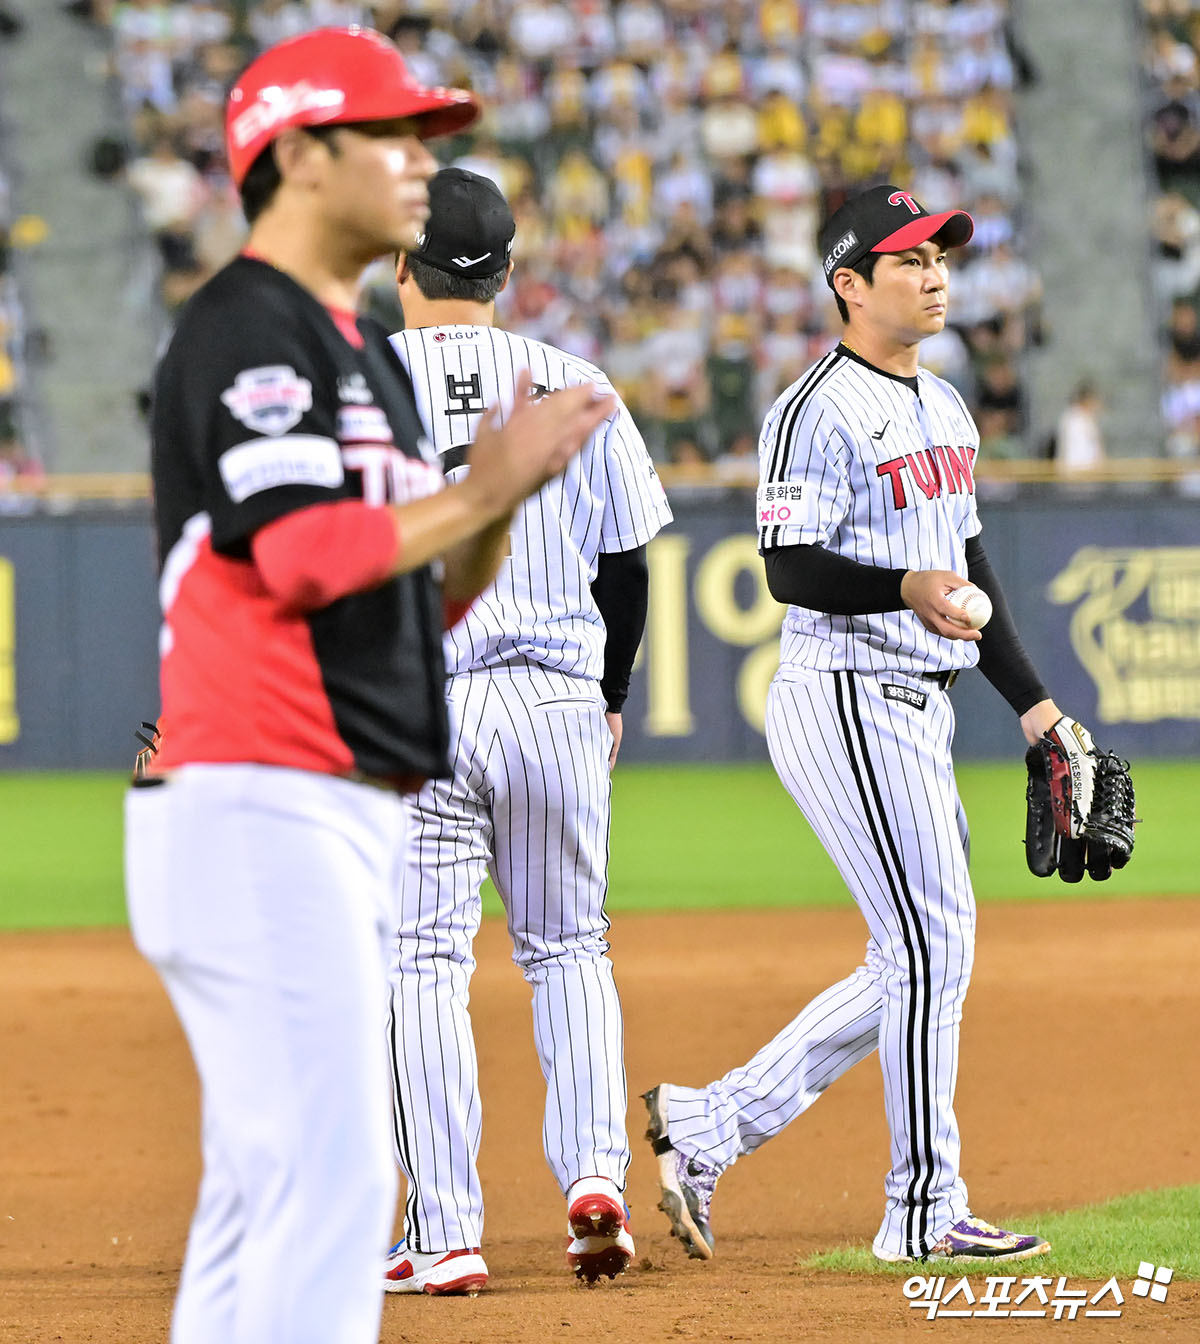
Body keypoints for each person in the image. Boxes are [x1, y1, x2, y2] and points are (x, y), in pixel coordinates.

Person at [124, 29, 614, 1344]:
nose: (420, 164)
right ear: (294, 154)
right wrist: (483, 489)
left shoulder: (349, 351)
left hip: (315, 793)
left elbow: (423, 596)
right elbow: (298, 557)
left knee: (270, 1190)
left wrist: (500, 511)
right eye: (389, 137)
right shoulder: (251, 331)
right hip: (260, 791)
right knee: (334, 1184)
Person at [644, 184, 1080, 1266]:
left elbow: (971, 573)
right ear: (850, 283)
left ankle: (708, 1125)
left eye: (942, 257)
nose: (936, 276)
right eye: (909, 261)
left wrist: (1036, 709)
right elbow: (788, 566)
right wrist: (901, 583)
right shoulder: (812, 409)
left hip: (918, 699)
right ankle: (922, 1208)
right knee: (931, 946)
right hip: (845, 691)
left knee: (922, 955)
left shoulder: (946, 407)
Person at [380, 168, 672, 1294]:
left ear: (400, 265)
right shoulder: (575, 379)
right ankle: (596, 1181)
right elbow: (629, 566)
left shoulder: (355, 390)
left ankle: (445, 1233)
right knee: (568, 947)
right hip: (555, 691)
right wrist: (610, 696)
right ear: (506, 273)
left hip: (423, 700)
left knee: (421, 962)